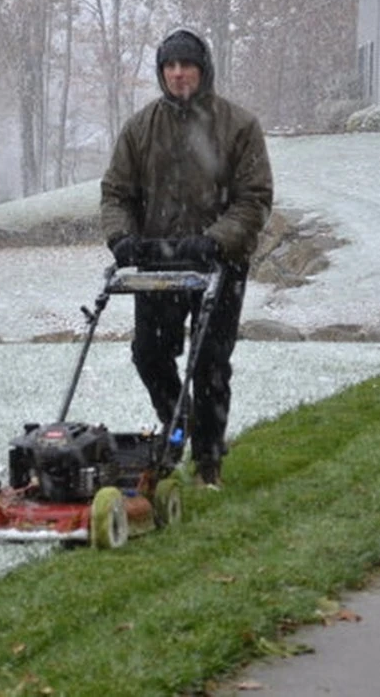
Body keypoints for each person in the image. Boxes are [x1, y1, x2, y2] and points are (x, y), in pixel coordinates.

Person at [100, 28, 273, 487]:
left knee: (210, 363)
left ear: (203, 69)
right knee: (149, 354)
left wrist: (217, 240)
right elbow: (115, 192)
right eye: (169, 67)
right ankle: (181, 424)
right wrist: (121, 239)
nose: (178, 74)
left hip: (220, 262)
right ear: (161, 73)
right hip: (159, 263)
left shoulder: (237, 126)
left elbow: (253, 199)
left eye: (186, 65)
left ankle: (208, 463)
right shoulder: (141, 129)